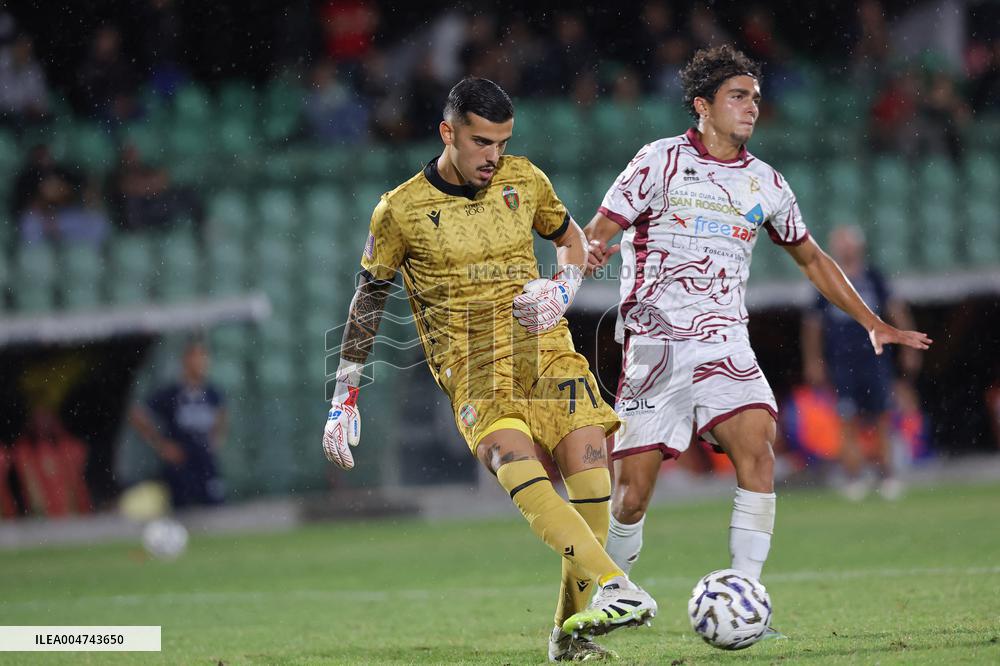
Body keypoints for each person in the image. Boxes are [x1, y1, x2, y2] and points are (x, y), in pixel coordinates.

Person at [583, 46, 932, 619]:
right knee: (630, 497)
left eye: (756, 99)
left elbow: (812, 257)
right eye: (738, 97)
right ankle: (612, 593)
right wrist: (591, 250)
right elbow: (598, 229)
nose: (751, 108)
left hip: (725, 342)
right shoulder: (658, 160)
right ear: (703, 106)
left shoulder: (767, 183)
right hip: (656, 348)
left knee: (758, 454)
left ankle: (743, 598)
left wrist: (872, 320)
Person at [321, 77, 656, 662]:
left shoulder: (524, 180)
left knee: (592, 485)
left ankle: (568, 637)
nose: (493, 156)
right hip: (474, 367)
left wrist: (564, 288)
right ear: (447, 133)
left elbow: (572, 241)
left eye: (502, 142)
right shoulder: (399, 210)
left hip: (547, 352)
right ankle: (614, 583)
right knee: (516, 466)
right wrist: (344, 394)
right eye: (481, 142)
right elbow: (368, 298)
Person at [801, 225, 921, 500]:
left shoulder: (873, 277)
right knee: (847, 419)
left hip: (875, 360)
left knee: (882, 416)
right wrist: (813, 360)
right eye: (840, 243)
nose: (845, 248)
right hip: (842, 362)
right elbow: (813, 325)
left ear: (859, 246)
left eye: (848, 243)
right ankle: (854, 476)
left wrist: (908, 345)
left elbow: (895, 309)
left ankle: (887, 474)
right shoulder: (827, 278)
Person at [129, 339, 227, 509]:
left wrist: (216, 439)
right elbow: (137, 414)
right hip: (180, 463)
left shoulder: (212, 392)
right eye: (196, 357)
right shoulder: (171, 393)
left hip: (205, 461)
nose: (201, 362)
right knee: (183, 510)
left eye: (204, 357)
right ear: (186, 360)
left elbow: (222, 415)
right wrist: (161, 445)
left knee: (215, 507)